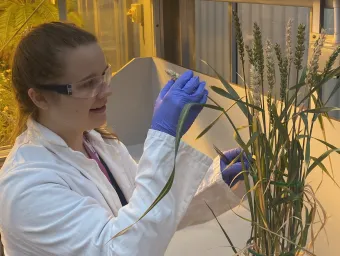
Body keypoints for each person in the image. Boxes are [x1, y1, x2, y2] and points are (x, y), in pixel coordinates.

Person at [0, 22, 247, 255]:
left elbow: (143, 219)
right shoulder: (26, 187)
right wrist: (164, 137)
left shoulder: (99, 145)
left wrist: (216, 182)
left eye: (104, 75)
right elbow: (121, 249)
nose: (107, 90)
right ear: (40, 98)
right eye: (88, 84)